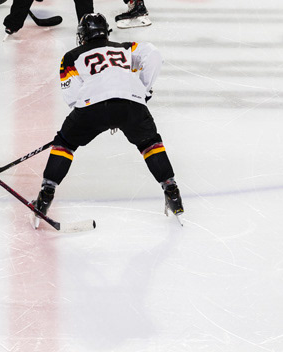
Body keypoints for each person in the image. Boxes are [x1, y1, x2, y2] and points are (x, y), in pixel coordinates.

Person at [31, 13, 184, 224]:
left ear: (83, 35)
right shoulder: (124, 47)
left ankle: (46, 195)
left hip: (92, 106)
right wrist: (143, 90)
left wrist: (87, 118)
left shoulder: (71, 56)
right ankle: (172, 192)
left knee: (65, 144)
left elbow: (73, 98)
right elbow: (153, 54)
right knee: (150, 143)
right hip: (132, 101)